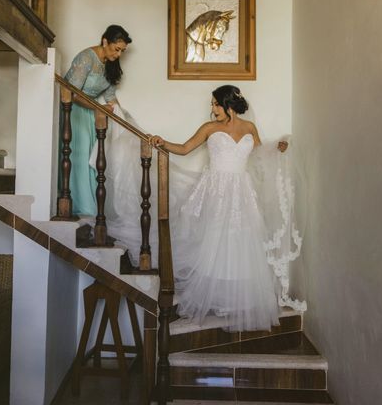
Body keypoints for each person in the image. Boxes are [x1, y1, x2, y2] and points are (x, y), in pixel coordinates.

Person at [147, 85, 300, 331]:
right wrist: (162, 143)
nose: (212, 109)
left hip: (241, 191)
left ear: (228, 104)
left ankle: (234, 300)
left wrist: (276, 148)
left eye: (215, 104)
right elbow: (185, 149)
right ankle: (214, 297)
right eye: (212, 104)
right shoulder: (209, 129)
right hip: (216, 190)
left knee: (240, 243)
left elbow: (259, 155)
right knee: (214, 241)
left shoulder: (249, 128)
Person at [64, 25, 132, 216]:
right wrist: (98, 108)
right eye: (116, 49)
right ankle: (82, 206)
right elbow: (72, 93)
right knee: (80, 156)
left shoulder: (111, 64)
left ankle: (93, 206)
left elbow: (110, 97)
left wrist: (122, 117)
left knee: (95, 157)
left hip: (93, 113)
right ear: (105, 41)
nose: (118, 54)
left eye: (122, 51)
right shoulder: (86, 58)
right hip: (74, 111)